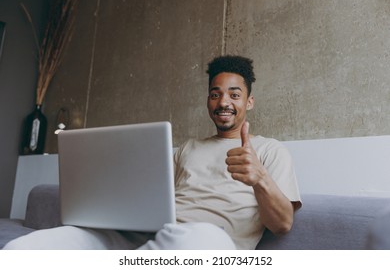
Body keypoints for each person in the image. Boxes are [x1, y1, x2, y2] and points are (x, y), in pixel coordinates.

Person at [3, 55, 301, 250]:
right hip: (153, 237)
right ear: (208, 101)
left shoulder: (269, 150)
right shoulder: (188, 148)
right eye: (215, 94)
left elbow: (283, 223)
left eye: (235, 95)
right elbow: (151, 201)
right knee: (28, 248)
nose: (224, 101)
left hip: (206, 244)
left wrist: (259, 177)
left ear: (249, 102)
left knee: (204, 240)